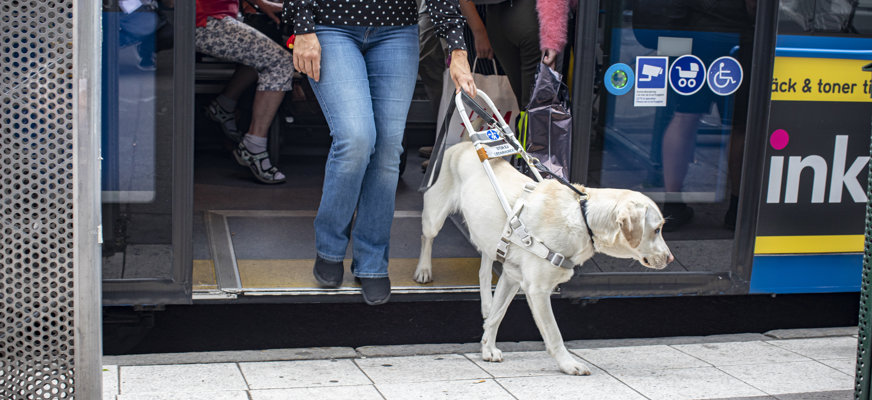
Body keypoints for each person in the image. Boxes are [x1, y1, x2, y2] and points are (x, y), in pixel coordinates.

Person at [285, 0, 476, 305]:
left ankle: (372, 260)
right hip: (331, 24)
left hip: (397, 31)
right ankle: (330, 247)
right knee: (356, 138)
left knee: (388, 150)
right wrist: (303, 27)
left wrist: (457, 50)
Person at [196, 0, 293, 184]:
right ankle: (254, 146)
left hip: (213, 16)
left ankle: (224, 105)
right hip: (205, 20)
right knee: (281, 62)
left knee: (265, 47)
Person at [484, 0, 571, 110]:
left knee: (525, 103)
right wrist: (552, 38)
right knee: (537, 107)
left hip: (495, 15)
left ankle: (525, 124)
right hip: (532, 15)